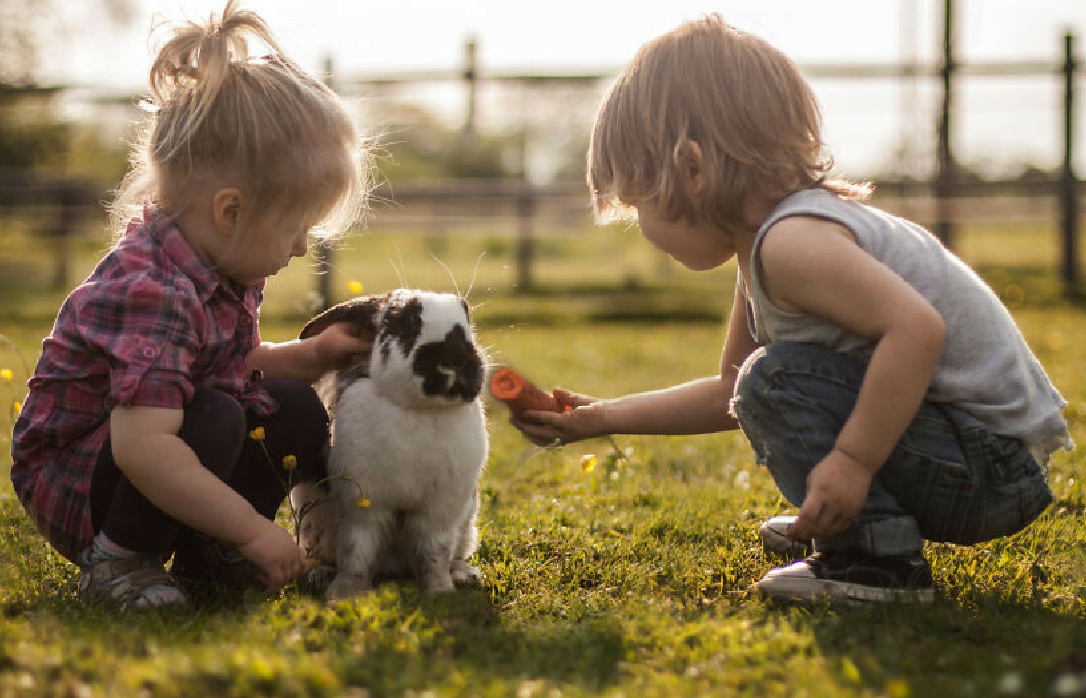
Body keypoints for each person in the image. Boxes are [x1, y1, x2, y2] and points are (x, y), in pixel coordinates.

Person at [510, 14, 1072, 604]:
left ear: (691, 169)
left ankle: (878, 559)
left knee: (773, 377)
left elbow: (915, 330)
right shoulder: (764, 249)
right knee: (763, 379)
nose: (640, 228)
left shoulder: (792, 243)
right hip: (972, 457)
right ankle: (868, 526)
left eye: (638, 205)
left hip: (989, 470)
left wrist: (852, 464)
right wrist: (601, 419)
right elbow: (733, 391)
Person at [9, 0, 373, 610]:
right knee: (216, 416)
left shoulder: (220, 267)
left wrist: (308, 356)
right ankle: (121, 562)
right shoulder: (153, 290)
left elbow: (224, 361)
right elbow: (143, 447)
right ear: (230, 211)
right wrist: (254, 526)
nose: (301, 247)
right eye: (295, 228)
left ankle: (210, 556)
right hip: (82, 479)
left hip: (155, 440)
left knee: (292, 408)